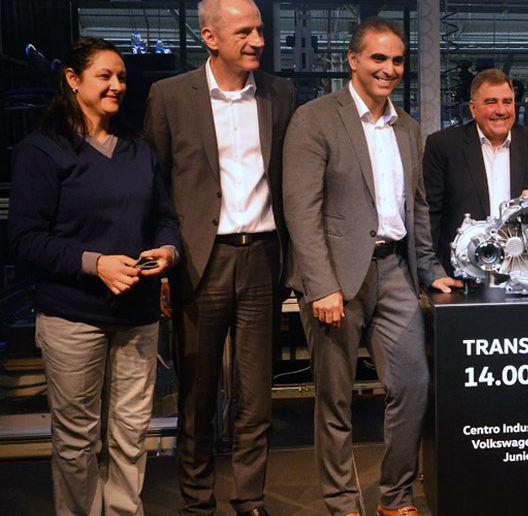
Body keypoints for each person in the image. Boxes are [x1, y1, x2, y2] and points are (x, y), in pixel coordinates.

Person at [281, 16, 462, 516]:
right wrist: (321, 285)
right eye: (378, 58)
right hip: (335, 279)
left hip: (396, 272)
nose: (389, 69)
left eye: (398, 60)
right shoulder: (315, 119)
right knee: (335, 400)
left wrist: (429, 269)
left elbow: (417, 207)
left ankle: (395, 498)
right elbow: (301, 210)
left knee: (413, 385)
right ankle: (342, 504)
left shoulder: (408, 128)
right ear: (353, 60)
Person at [9, 36, 180, 516]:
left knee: (130, 433)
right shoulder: (43, 151)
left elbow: (166, 218)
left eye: (121, 77)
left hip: (138, 316)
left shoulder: (138, 148)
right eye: (104, 76)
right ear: (72, 79)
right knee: (77, 440)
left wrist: (168, 251)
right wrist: (95, 263)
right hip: (73, 316)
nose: (116, 85)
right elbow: (25, 239)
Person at [143, 0, 296, 514]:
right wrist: (163, 269)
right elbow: (155, 187)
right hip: (197, 263)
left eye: (259, 30)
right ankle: (197, 501)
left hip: (262, 259)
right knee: (197, 394)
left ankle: (250, 498)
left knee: (256, 396)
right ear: (209, 38)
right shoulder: (170, 96)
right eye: (244, 32)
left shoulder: (280, 94)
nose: (258, 41)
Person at [423, 68, 528, 275]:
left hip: (523, 271)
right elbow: (430, 215)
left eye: (507, 102)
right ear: (473, 108)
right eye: (491, 102)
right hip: (461, 272)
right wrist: (432, 272)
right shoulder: (444, 146)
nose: (501, 110)